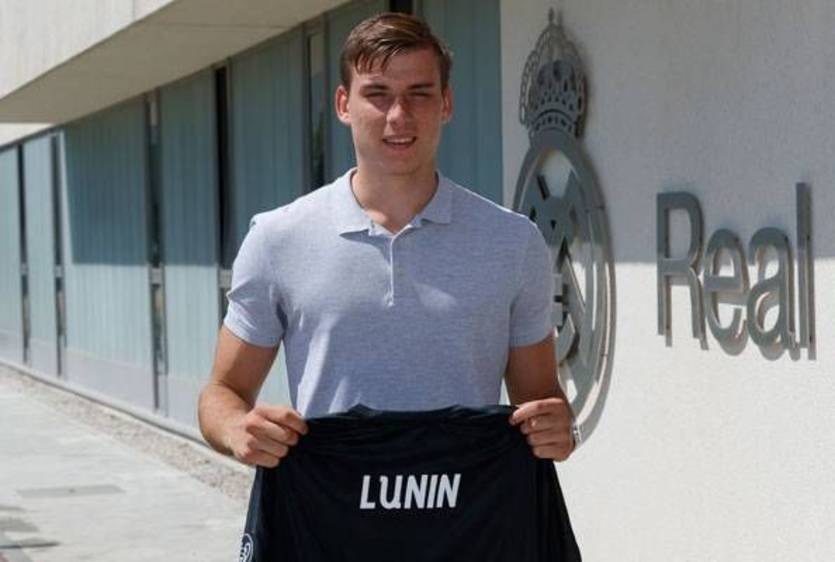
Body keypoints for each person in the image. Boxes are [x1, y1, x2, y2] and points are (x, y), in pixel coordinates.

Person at [197, 12, 575, 471]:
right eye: (377, 94)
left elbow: (540, 402)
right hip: (329, 508)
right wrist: (237, 428)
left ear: (446, 104)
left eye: (420, 93)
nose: (399, 115)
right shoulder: (277, 239)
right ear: (343, 104)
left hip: (467, 509)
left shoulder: (512, 242)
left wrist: (560, 429)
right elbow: (223, 392)